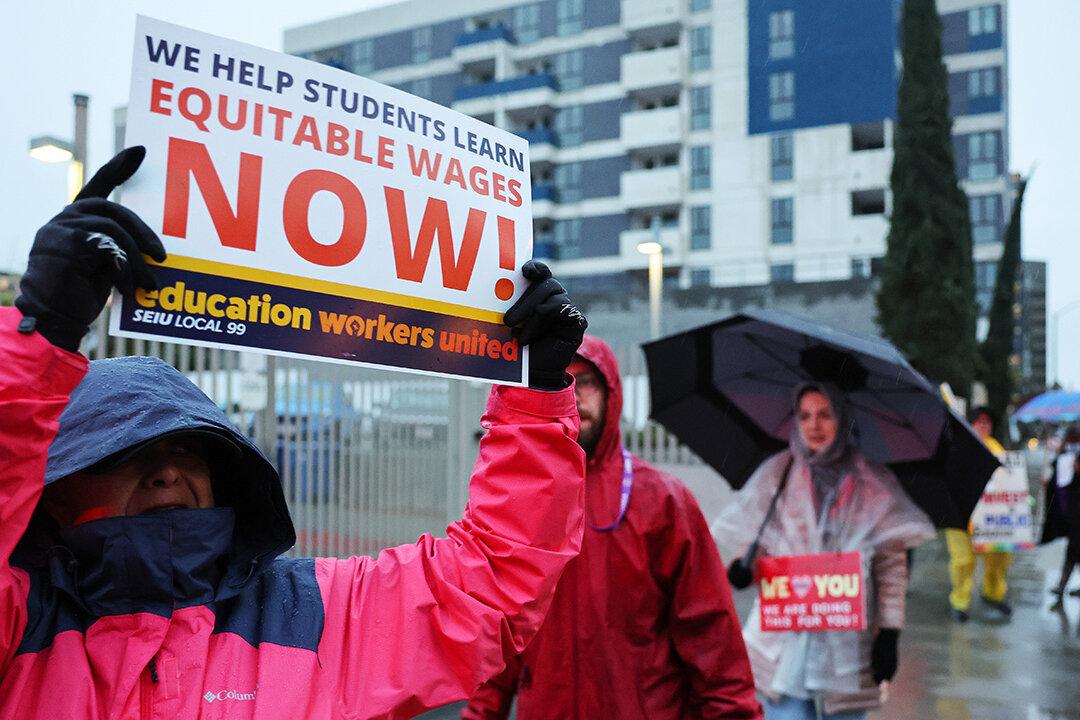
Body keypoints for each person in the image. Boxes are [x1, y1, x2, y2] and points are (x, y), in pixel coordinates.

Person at [0, 148, 591, 718]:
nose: (167, 471)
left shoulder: (312, 614)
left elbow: (487, 585)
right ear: (56, 484)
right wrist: (39, 339)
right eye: (123, 454)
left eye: (189, 447)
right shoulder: (22, 620)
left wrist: (535, 394)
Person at [461, 336, 762, 719]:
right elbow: (499, 633)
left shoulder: (662, 501)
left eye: (586, 382)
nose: (575, 395)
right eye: (562, 382)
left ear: (611, 394)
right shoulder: (520, 499)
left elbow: (711, 638)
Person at [712, 383, 934, 720]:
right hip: (784, 643)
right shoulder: (779, 473)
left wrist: (889, 633)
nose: (814, 425)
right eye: (805, 416)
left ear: (843, 419)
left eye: (825, 415)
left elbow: (890, 566)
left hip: (848, 648)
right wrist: (744, 569)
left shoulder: (871, 482)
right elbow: (761, 545)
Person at [944, 406, 1013, 622]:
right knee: (963, 561)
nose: (983, 425)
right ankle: (960, 601)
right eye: (979, 421)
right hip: (960, 515)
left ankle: (993, 593)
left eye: (987, 421)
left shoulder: (999, 450)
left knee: (1000, 556)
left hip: (991, 519)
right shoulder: (956, 446)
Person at [1043, 428, 1080, 609]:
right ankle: (1062, 585)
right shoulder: (1064, 455)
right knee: (1074, 548)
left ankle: (1062, 585)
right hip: (1073, 511)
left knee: (1074, 549)